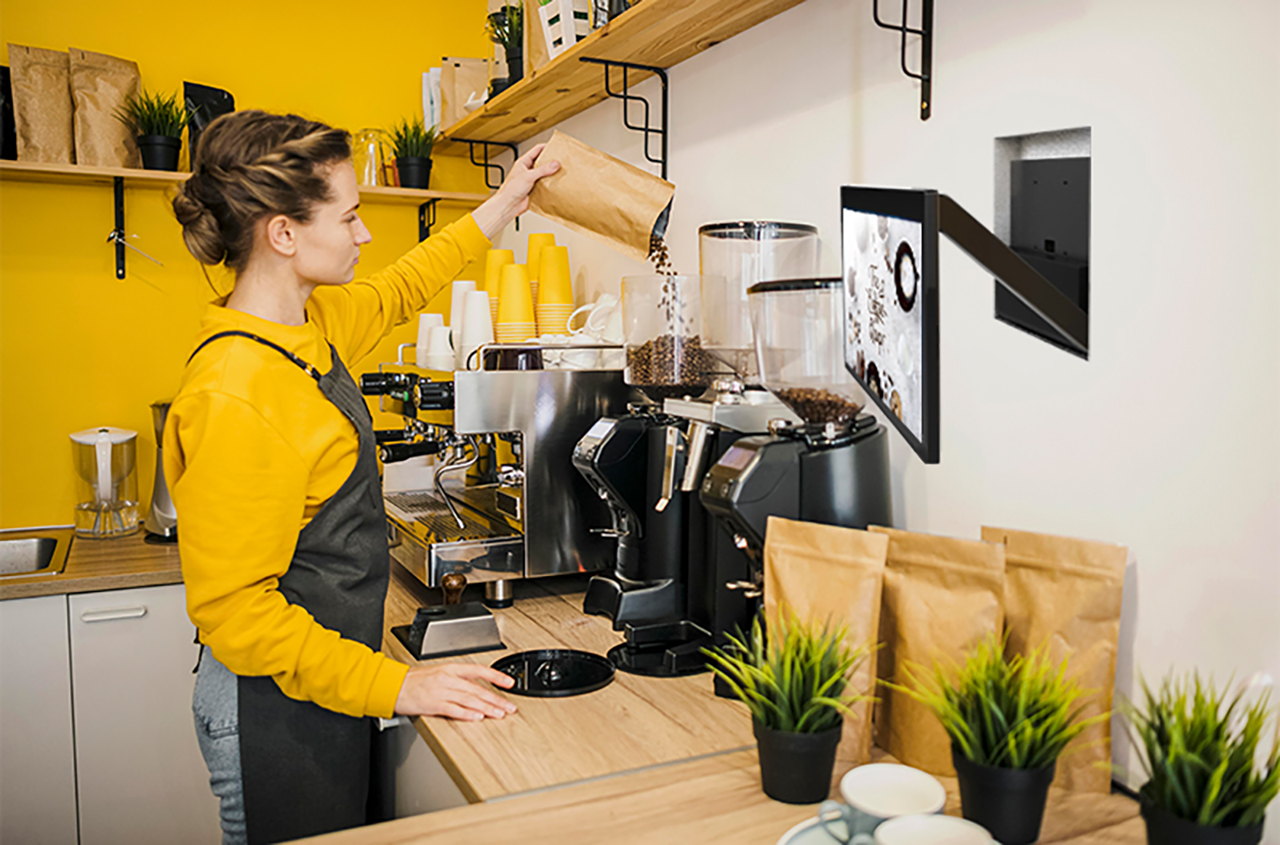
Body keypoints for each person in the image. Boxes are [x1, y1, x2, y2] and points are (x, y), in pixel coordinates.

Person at [164, 109, 559, 844]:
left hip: (319, 681)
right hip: (265, 705)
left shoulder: (306, 328)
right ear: (283, 233)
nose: (365, 233)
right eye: (349, 217)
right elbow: (237, 614)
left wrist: (505, 204)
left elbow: (404, 286)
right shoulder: (235, 390)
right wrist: (400, 684)